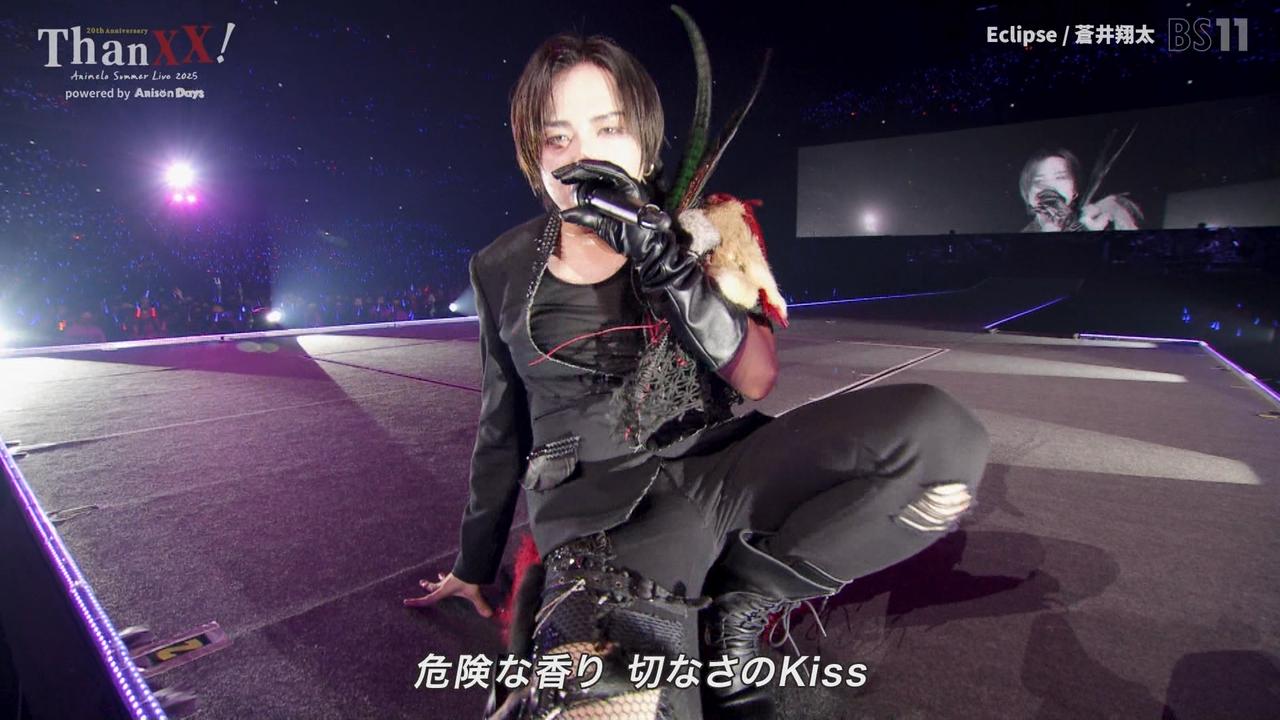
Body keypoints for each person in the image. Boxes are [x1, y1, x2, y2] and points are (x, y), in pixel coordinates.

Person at [404, 30, 990, 720]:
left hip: (722, 467)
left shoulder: (707, 229)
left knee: (941, 439)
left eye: (608, 129)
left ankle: (742, 603)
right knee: (617, 703)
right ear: (535, 158)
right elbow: (501, 430)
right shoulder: (500, 265)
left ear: (645, 142)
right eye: (557, 138)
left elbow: (756, 379)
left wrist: (668, 262)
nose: (583, 156)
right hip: (606, 515)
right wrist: (473, 565)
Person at [1019, 148, 1143, 232]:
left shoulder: (1101, 215)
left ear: (1074, 190)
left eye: (1060, 177)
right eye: (1039, 181)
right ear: (1028, 194)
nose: (1050, 186)